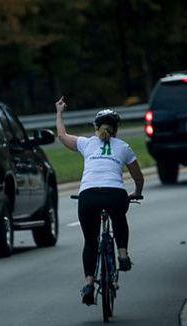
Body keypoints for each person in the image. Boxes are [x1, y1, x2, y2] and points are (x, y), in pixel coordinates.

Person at [54, 96, 144, 306]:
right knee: (119, 217)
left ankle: (88, 283)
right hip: (115, 194)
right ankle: (122, 254)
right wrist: (137, 191)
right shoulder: (123, 146)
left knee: (90, 240)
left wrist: (59, 112)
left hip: (88, 196)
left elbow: (61, 135)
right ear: (117, 129)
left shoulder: (86, 143)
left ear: (96, 127)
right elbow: (138, 177)